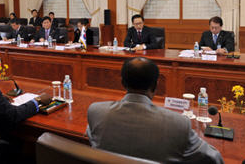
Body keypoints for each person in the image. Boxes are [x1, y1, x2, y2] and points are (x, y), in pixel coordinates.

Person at [87, 57, 224, 164]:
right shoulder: (178, 124)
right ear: (156, 85)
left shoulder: (97, 112)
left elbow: (93, 136)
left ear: (122, 83)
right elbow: (214, 158)